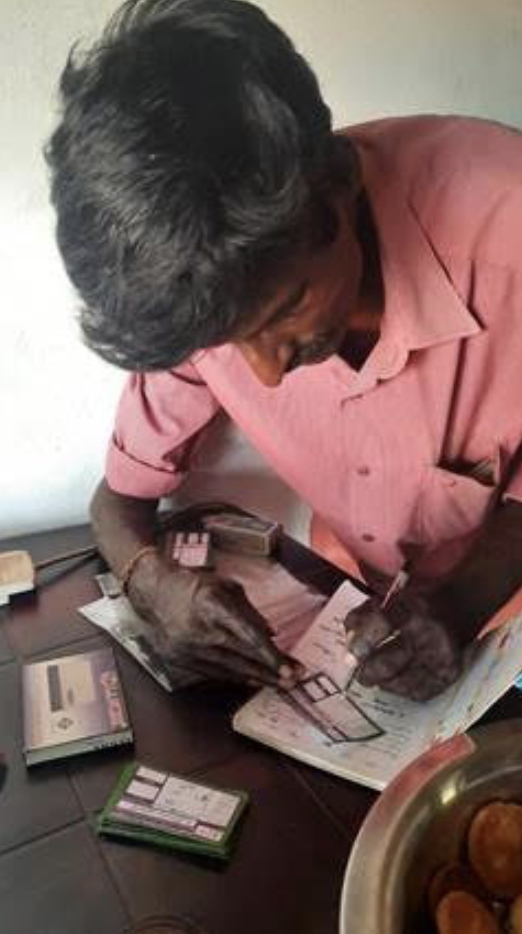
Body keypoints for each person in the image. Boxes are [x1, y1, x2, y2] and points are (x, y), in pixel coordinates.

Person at [46, 0, 522, 701]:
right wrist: (151, 582)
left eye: (285, 310)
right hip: (353, 608)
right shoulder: (199, 285)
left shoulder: (507, 235)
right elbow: (117, 503)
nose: (267, 373)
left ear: (337, 182)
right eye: (228, 349)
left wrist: (465, 600)